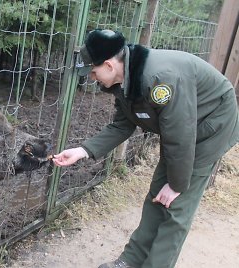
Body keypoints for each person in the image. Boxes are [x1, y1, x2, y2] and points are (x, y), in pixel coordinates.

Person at [52, 29, 239, 268]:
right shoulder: (125, 79)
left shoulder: (159, 80)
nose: (91, 77)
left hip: (211, 124)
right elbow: (122, 125)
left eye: (92, 71)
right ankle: (131, 260)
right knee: (157, 195)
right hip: (183, 130)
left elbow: (180, 137)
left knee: (177, 207)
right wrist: (83, 151)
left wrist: (177, 185)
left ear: (109, 65)